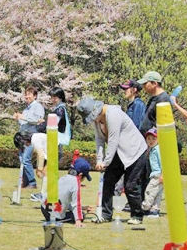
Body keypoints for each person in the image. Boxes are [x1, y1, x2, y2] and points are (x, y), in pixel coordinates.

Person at [77, 97, 147, 225]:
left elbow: (113, 141)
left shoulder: (113, 114)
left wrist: (106, 162)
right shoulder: (98, 121)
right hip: (118, 153)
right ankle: (105, 213)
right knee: (108, 181)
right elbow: (99, 141)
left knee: (130, 185)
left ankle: (137, 215)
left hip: (134, 152)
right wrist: (99, 160)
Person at [40, 157, 92, 227]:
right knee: (81, 215)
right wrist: (78, 220)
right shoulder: (75, 182)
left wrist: (83, 207)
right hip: (53, 213)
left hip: (44, 207)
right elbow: (76, 203)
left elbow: (64, 201)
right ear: (80, 175)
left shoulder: (63, 178)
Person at [13, 86, 45, 189]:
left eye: (29, 94)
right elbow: (24, 123)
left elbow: (38, 120)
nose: (27, 96)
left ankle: (32, 182)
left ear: (35, 96)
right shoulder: (26, 108)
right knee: (22, 158)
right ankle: (25, 182)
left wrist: (24, 117)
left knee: (26, 159)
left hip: (31, 136)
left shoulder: (38, 106)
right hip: (23, 136)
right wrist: (18, 118)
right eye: (26, 94)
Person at [13, 132, 48, 202]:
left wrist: (40, 169)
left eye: (24, 144)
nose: (25, 145)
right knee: (47, 173)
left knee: (46, 173)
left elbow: (41, 155)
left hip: (55, 150)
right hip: (50, 152)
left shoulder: (35, 140)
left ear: (24, 140)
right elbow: (40, 154)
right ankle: (44, 194)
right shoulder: (34, 139)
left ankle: (42, 195)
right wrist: (38, 167)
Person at [137, 71, 171, 136]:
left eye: (145, 83)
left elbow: (163, 124)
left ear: (154, 83)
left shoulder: (163, 99)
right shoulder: (153, 98)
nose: (143, 86)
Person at [141, 128, 163, 218]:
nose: (150, 141)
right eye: (148, 138)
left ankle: (145, 208)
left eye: (153, 138)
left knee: (149, 191)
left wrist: (162, 174)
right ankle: (155, 210)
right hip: (156, 175)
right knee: (157, 194)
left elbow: (163, 163)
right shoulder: (152, 149)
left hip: (157, 175)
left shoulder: (158, 150)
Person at [48, 87, 71, 160]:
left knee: (52, 164)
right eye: (52, 97)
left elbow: (53, 124)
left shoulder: (60, 109)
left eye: (55, 98)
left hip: (56, 140)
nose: (53, 100)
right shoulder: (59, 108)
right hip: (56, 140)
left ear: (60, 98)